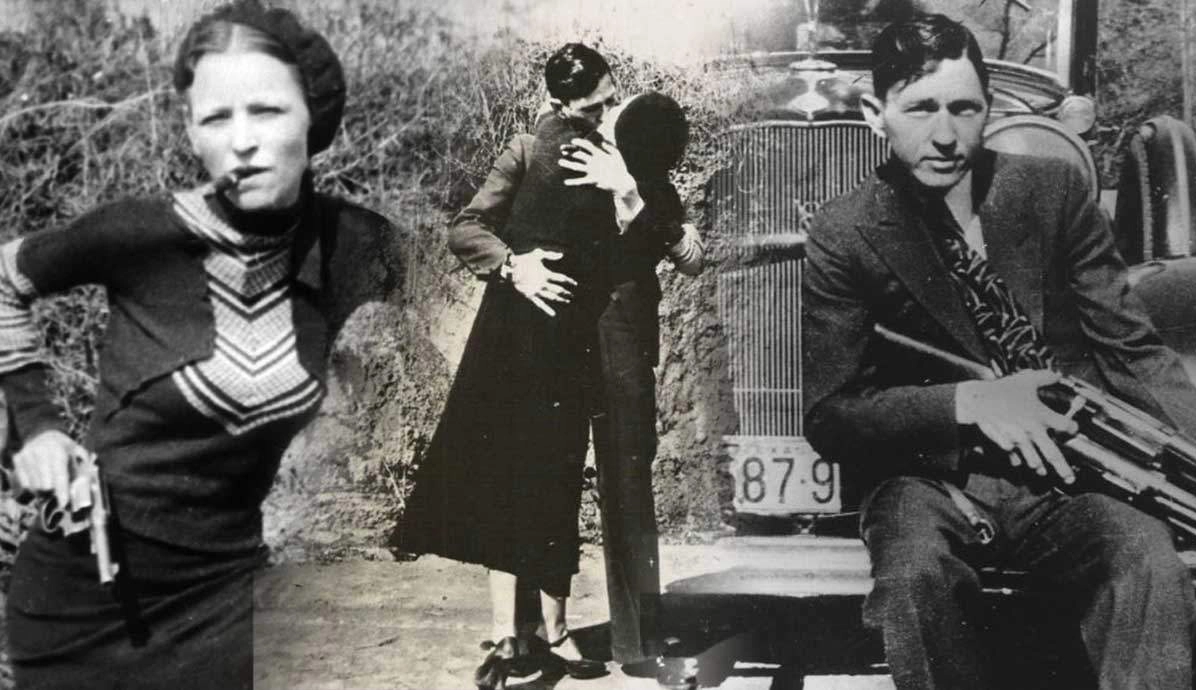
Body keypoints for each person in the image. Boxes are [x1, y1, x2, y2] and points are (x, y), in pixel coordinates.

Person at [0, 2, 398, 688]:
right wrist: (37, 428)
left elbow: (464, 307)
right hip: (84, 599)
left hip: (228, 600)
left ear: (314, 115)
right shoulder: (138, 235)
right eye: (216, 119)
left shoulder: (359, 245)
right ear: (190, 132)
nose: (242, 142)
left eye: (266, 111)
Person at [801, 13, 1196, 690]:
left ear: (989, 109)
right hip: (931, 485)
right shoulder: (844, 232)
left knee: (1146, 562)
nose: (946, 134)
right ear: (875, 114)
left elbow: (1132, 351)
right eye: (921, 109)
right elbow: (833, 415)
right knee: (912, 580)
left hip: (1071, 480)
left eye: (965, 108)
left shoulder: (1054, 191)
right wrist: (970, 402)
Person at [396, 43, 700, 689]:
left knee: (627, 483)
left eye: (611, 101)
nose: (605, 116)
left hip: (618, 339)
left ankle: (638, 642)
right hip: (550, 339)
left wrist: (631, 197)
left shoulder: (636, 153)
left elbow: (691, 254)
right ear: (559, 104)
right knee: (533, 472)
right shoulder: (530, 150)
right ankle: (529, 634)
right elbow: (468, 227)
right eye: (593, 107)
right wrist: (514, 265)